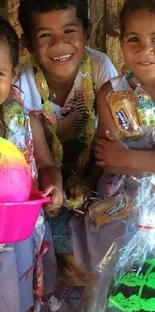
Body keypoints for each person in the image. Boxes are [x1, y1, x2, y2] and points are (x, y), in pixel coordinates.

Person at [16, 0, 118, 285]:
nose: (60, 44)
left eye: (69, 30)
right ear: (28, 43)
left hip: (94, 164)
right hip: (45, 171)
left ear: (85, 31)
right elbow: (35, 156)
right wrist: (52, 184)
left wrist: (89, 180)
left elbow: (109, 136)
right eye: (45, 34)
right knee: (49, 224)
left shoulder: (100, 67)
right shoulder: (24, 82)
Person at [0, 16, 63, 312]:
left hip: (18, 233)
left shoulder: (26, 121)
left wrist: (53, 187)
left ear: (12, 74)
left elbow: (48, 165)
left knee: (18, 299)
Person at [95, 0, 155, 177]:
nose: (145, 49)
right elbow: (106, 160)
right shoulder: (111, 93)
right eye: (134, 39)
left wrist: (127, 157)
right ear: (121, 42)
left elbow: (117, 158)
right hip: (123, 198)